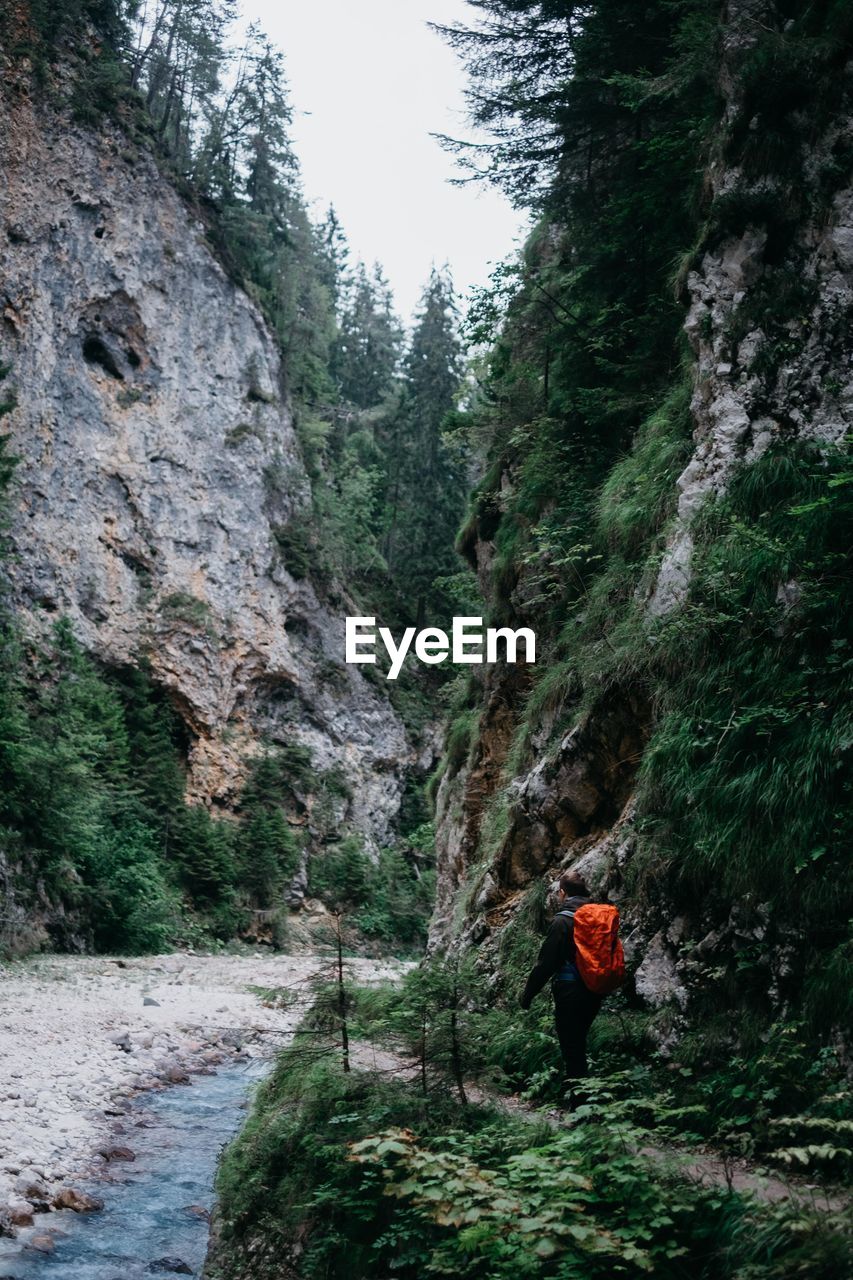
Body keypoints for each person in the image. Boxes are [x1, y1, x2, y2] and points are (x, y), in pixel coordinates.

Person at [520, 872, 603, 1089]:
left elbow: (546, 964)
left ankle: (580, 1110)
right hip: (595, 990)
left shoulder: (563, 921)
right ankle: (586, 1100)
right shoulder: (599, 916)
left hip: (570, 991)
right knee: (579, 1043)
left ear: (563, 893)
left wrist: (527, 995)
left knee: (572, 1049)